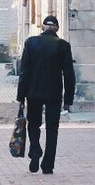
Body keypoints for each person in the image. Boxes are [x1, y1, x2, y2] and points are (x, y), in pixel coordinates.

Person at [14, 15, 78, 174]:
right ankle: (48, 164)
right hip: (54, 93)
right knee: (52, 128)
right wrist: (68, 98)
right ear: (57, 29)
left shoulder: (31, 43)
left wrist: (21, 96)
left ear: (42, 27)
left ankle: (35, 150)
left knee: (33, 124)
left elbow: (25, 72)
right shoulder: (63, 46)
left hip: (33, 92)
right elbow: (69, 74)